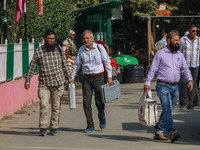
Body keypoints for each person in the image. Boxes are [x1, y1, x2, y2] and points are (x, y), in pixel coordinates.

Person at [144, 30, 193, 143]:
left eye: (178, 40)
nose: (177, 42)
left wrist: (190, 79)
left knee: (168, 110)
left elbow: (185, 68)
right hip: (163, 86)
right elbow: (153, 69)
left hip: (175, 87)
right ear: (169, 41)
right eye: (175, 40)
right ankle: (171, 131)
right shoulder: (160, 54)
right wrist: (147, 83)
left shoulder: (179, 55)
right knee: (167, 109)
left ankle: (158, 131)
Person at [25, 29, 71, 136]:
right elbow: (32, 66)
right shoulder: (39, 52)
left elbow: (64, 64)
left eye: (53, 38)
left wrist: (69, 78)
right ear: (44, 39)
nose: (52, 41)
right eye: (49, 38)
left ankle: (54, 126)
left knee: (56, 106)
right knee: (44, 105)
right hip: (44, 84)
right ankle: (43, 126)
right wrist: (28, 80)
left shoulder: (59, 49)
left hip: (58, 83)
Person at [70, 30, 113, 133]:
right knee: (86, 102)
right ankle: (90, 124)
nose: (85, 40)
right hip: (87, 79)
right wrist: (72, 77)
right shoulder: (81, 50)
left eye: (87, 38)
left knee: (99, 102)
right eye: (84, 38)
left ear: (92, 38)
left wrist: (109, 77)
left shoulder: (99, 48)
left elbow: (107, 61)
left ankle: (102, 117)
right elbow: (76, 65)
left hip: (99, 78)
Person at [179, 24, 200, 110]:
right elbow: (179, 52)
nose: (195, 33)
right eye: (193, 31)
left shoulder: (198, 40)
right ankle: (183, 101)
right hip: (185, 65)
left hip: (195, 65)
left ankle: (190, 103)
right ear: (189, 31)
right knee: (184, 82)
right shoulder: (183, 40)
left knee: (193, 84)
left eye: (196, 31)